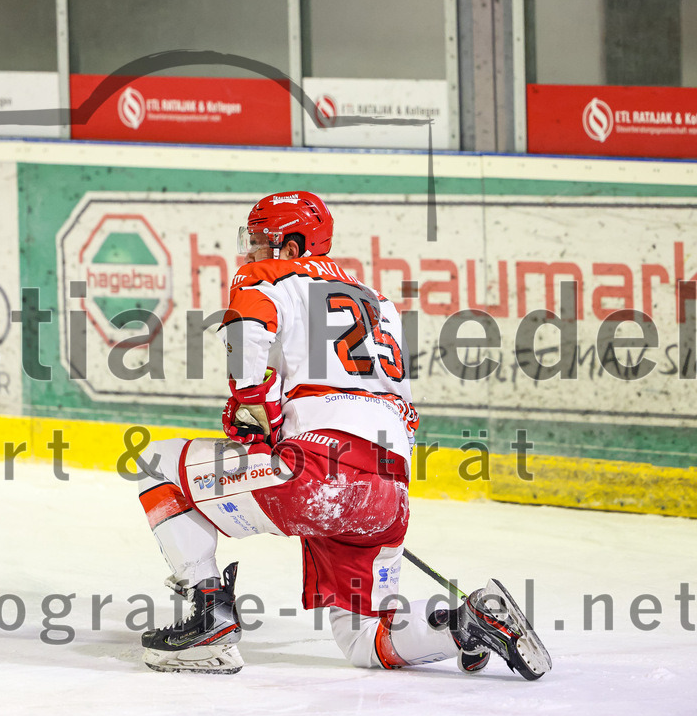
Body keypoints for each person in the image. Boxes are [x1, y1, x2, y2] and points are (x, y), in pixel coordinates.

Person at [133, 191, 551, 679]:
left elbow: (248, 332)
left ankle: (210, 624)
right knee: (363, 640)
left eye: (261, 241)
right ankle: (465, 623)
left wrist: (253, 410)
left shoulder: (267, 278)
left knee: (158, 463)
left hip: (317, 475)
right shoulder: (379, 303)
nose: (250, 253)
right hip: (389, 489)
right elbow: (406, 409)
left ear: (291, 246)